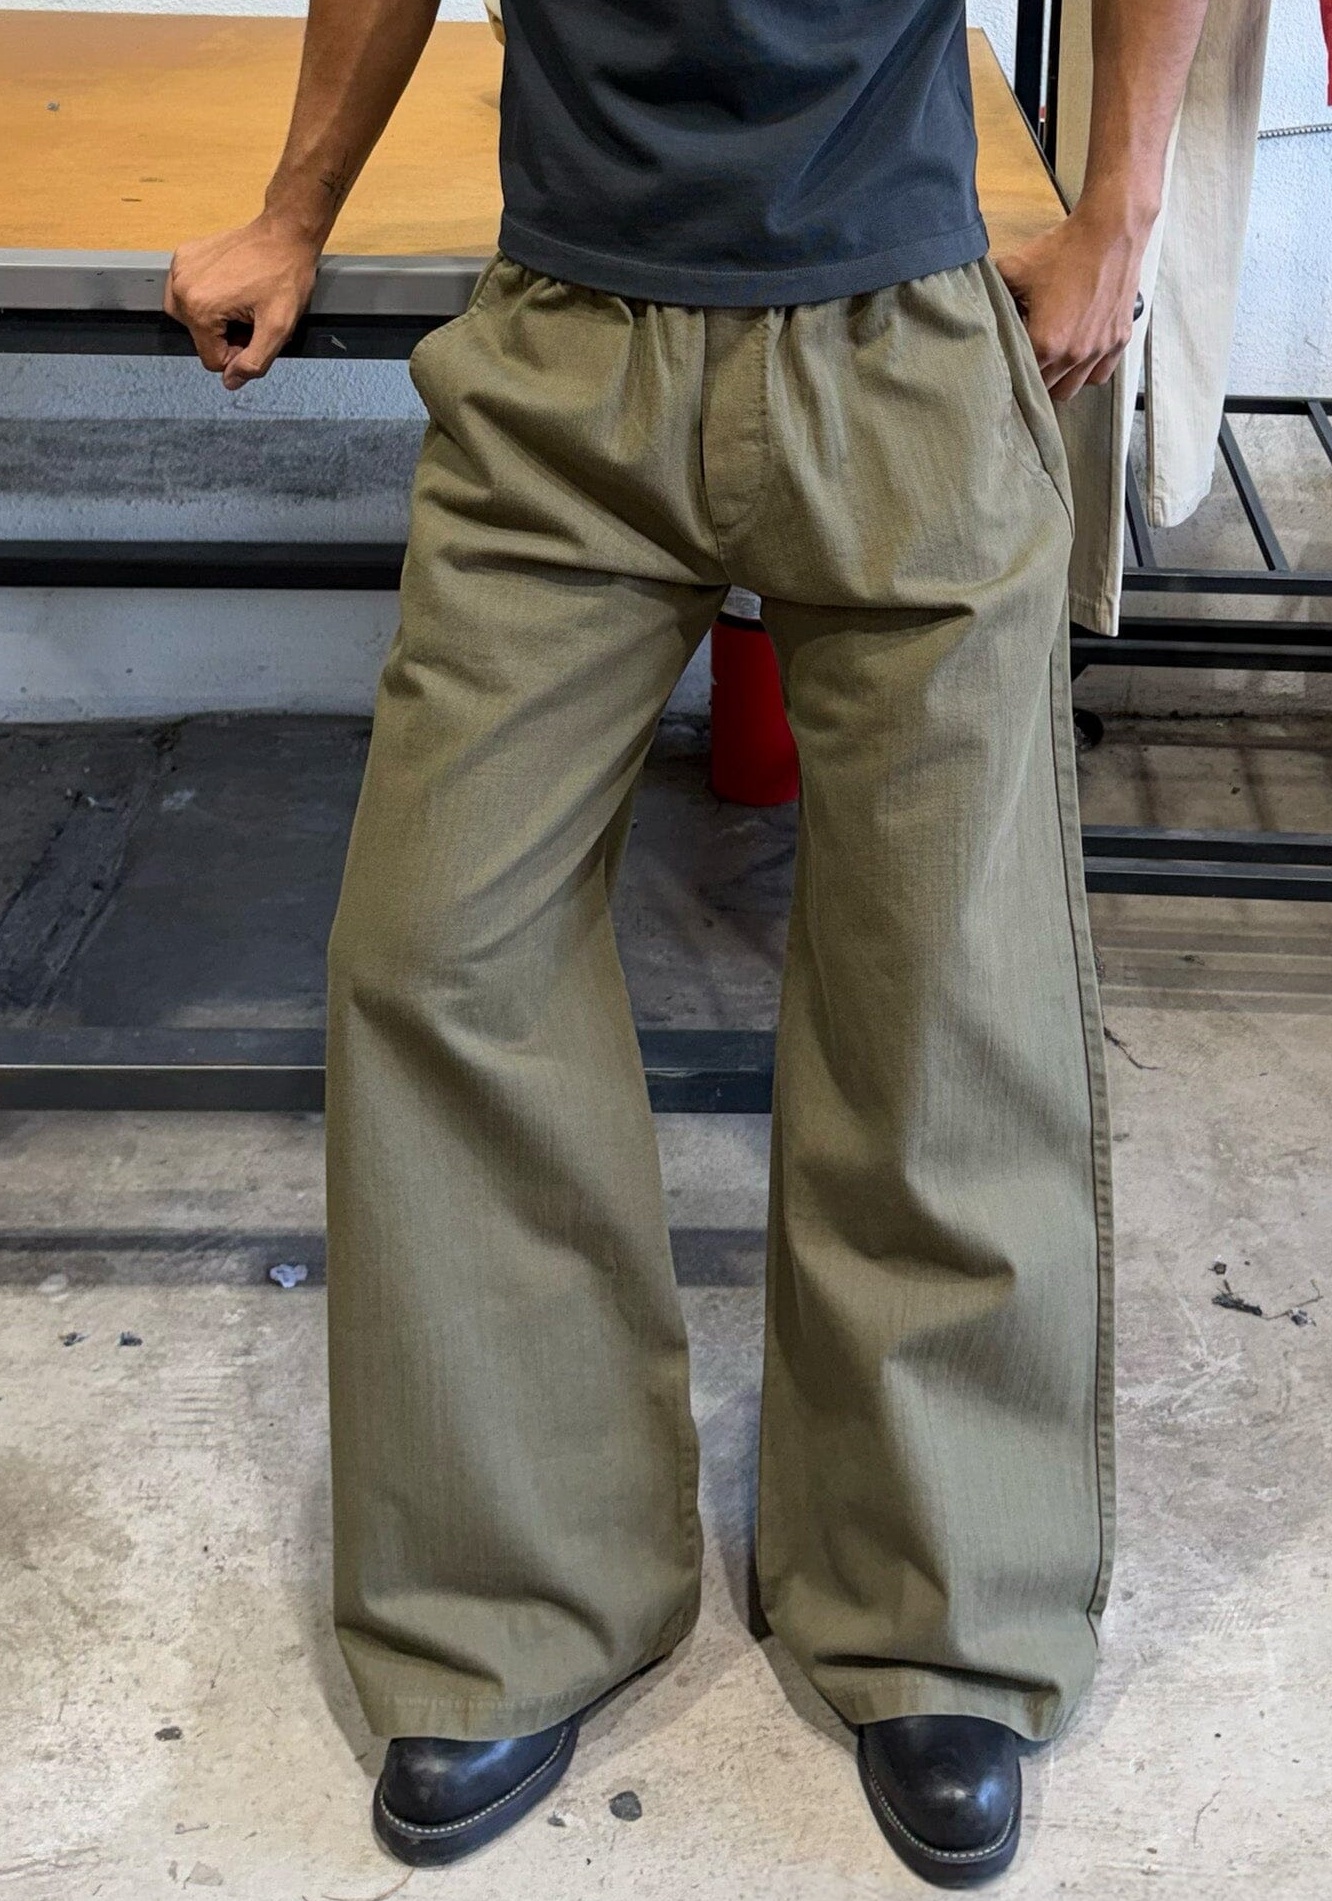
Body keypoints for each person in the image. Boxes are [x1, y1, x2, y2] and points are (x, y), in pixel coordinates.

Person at [166, 0, 1209, 1883]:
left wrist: (1120, 209)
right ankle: (509, 1596)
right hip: (568, 336)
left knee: (945, 980)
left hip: (896, 325)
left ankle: (935, 1605)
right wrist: (295, 206)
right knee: (436, 949)